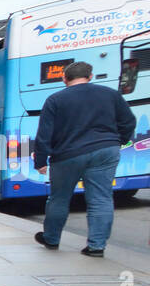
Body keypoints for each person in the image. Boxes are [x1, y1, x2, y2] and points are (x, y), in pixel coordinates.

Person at [33, 61, 137, 256]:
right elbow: (128, 122)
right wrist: (117, 141)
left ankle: (52, 238)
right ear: (90, 77)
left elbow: (44, 134)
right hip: (106, 150)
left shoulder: (55, 99)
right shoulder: (111, 94)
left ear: (65, 79)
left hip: (67, 154)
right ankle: (97, 246)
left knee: (59, 198)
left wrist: (40, 161)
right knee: (101, 199)